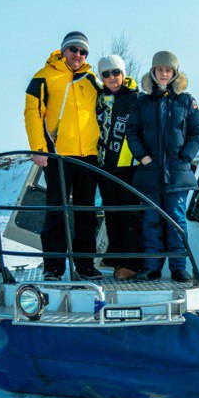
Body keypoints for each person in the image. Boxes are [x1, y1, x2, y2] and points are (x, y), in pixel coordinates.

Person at [24, 31, 103, 280]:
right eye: (74, 50)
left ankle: (85, 265)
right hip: (58, 155)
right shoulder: (44, 77)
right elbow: (32, 114)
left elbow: (112, 95)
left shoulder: (91, 79)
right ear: (63, 50)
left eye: (83, 52)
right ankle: (53, 267)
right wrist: (39, 149)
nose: (78, 55)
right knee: (57, 210)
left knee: (86, 212)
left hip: (88, 156)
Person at [126, 50, 199, 283]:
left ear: (174, 73)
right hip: (150, 173)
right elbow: (132, 132)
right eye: (160, 70)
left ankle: (179, 268)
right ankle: (152, 268)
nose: (163, 74)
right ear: (153, 71)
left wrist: (185, 157)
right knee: (151, 222)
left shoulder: (186, 101)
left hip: (177, 174)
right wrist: (142, 156)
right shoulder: (143, 101)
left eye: (168, 70)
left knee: (176, 222)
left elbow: (197, 133)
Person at [95, 54, 143, 280]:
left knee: (129, 215)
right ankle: (115, 257)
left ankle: (132, 262)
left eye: (116, 72)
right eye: (106, 74)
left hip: (129, 166)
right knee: (111, 213)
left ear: (123, 74)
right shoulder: (100, 98)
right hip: (106, 166)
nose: (112, 77)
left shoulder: (136, 98)